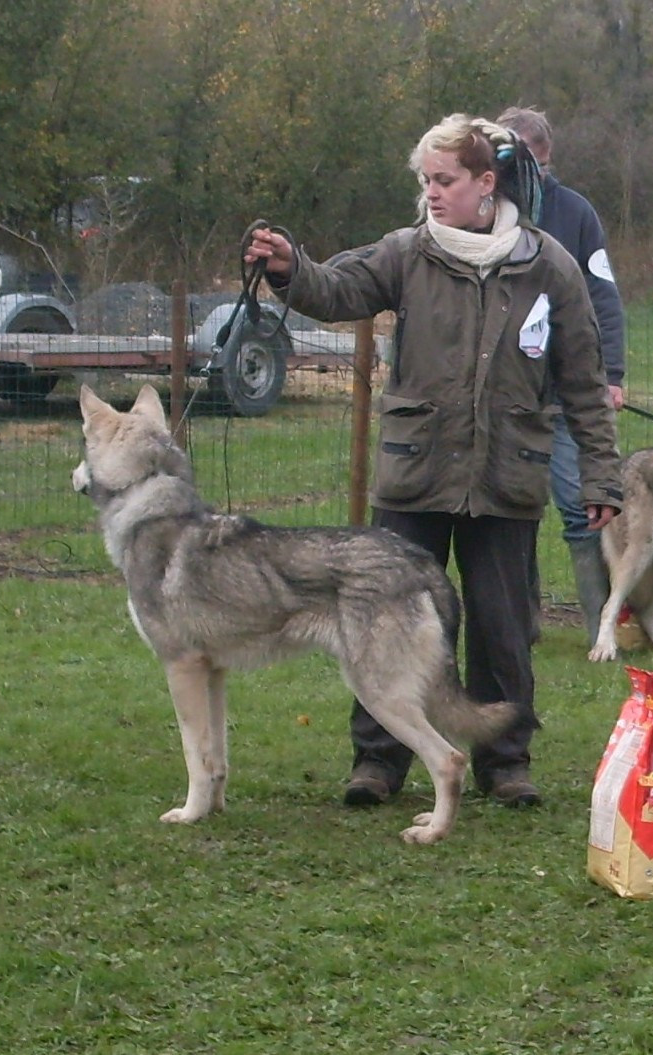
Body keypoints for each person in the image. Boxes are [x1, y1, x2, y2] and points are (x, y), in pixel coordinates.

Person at [244, 113, 624, 808]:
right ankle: (378, 761)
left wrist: (600, 475)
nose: (433, 193)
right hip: (415, 476)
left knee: (503, 624)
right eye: (426, 180)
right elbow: (335, 289)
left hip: (506, 477)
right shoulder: (405, 252)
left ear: (487, 183)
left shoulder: (548, 265)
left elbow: (583, 382)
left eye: (445, 180)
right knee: (384, 622)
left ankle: (505, 762)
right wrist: (289, 269)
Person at [495, 105, 627, 635]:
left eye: (546, 166)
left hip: (567, 389)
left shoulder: (575, 213)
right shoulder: (476, 212)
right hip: (505, 392)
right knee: (510, 512)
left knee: (584, 509)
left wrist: (611, 374)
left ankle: (602, 627)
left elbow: (603, 295)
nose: (541, 178)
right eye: (532, 165)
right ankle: (518, 626)